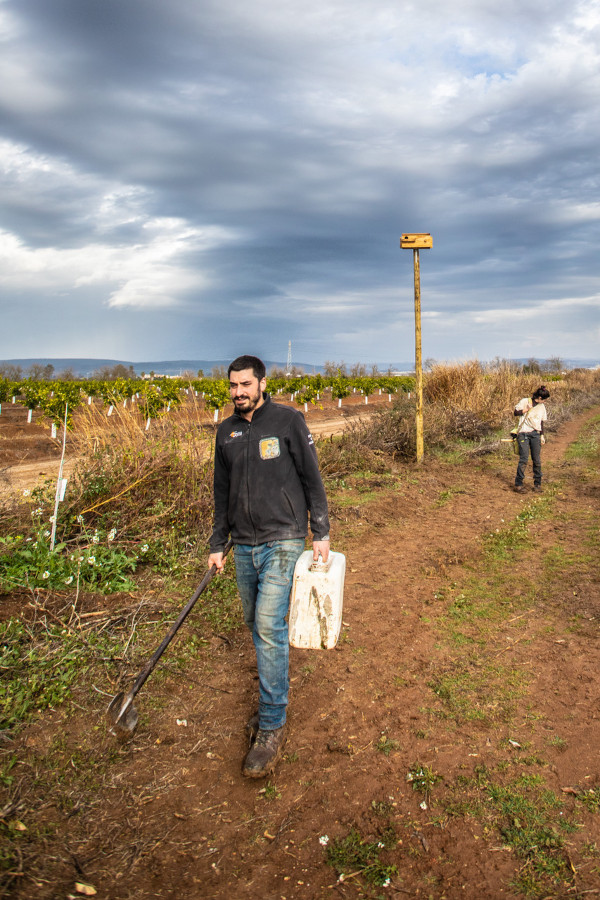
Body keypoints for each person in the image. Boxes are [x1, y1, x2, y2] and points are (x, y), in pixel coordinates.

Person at [208, 355, 330, 778]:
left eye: (246, 384)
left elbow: (312, 478)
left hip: (284, 538)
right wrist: (217, 543)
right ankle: (272, 700)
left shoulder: (287, 421)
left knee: (266, 625)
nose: (239, 392)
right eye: (233, 386)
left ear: (262, 383)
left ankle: (272, 723)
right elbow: (221, 492)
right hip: (243, 545)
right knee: (254, 623)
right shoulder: (226, 432)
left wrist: (322, 531)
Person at [512, 385, 550, 493]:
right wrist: (525, 410)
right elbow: (515, 412)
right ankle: (518, 484)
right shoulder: (525, 401)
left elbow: (541, 422)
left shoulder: (542, 407)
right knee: (523, 459)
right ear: (539, 398)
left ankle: (537, 484)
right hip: (523, 434)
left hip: (535, 434)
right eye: (544, 399)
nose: (545, 401)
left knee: (536, 460)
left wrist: (542, 435)